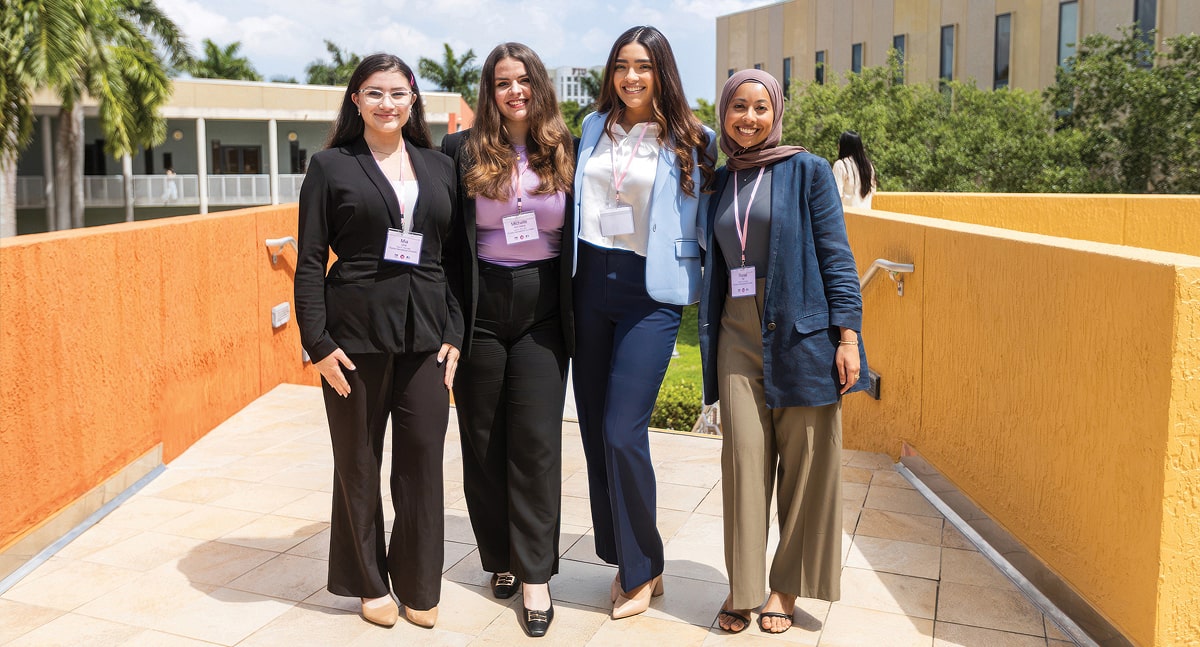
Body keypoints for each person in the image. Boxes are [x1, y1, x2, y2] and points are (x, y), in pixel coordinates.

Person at [294, 53, 462, 630]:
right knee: (359, 463)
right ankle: (369, 581)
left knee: (422, 461)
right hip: (353, 338)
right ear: (355, 101)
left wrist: (456, 334)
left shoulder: (440, 167)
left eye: (397, 93)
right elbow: (310, 261)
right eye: (373, 93)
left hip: (427, 337)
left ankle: (419, 583)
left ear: (414, 99)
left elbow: (455, 259)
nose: (386, 103)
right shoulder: (330, 166)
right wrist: (316, 344)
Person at [698, 70, 869, 635]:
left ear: (776, 114)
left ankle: (784, 587)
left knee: (806, 465)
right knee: (744, 462)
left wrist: (848, 337)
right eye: (738, 107)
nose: (749, 118)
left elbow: (837, 256)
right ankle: (742, 587)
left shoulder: (808, 171)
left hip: (801, 329)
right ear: (724, 114)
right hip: (737, 334)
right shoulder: (721, 179)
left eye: (760, 108)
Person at [571, 25, 715, 620]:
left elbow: (716, 213)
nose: (631, 77)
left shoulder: (693, 138)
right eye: (622, 66)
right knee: (591, 430)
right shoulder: (589, 127)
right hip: (589, 284)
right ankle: (623, 555)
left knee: (622, 430)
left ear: (662, 72)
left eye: (644, 66)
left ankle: (643, 569)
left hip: (650, 292)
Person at [439, 42, 575, 639]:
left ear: (538, 85)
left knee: (538, 446)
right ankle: (500, 559)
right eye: (501, 82)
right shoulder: (461, 150)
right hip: (482, 312)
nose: (514, 90)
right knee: (484, 440)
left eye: (523, 80)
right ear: (489, 91)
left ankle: (537, 574)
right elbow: (443, 243)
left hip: (546, 311)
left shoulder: (566, 148)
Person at [832, 130, 876, 209]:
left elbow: (835, 195)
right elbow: (873, 191)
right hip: (867, 216)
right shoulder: (868, 166)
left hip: (848, 217)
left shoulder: (841, 165)